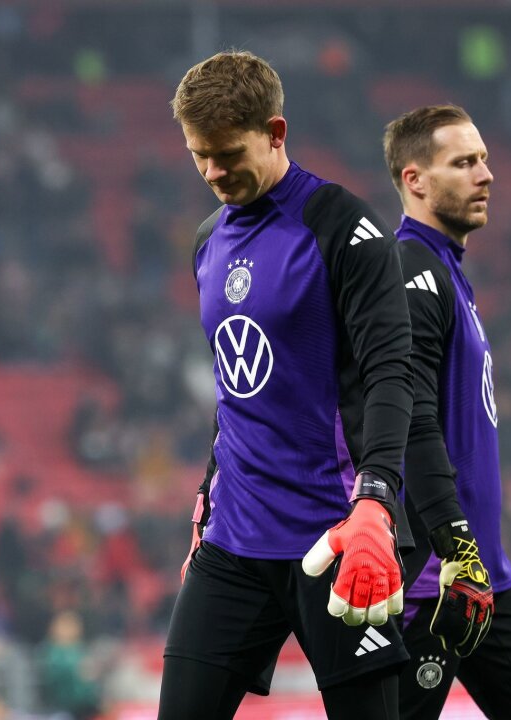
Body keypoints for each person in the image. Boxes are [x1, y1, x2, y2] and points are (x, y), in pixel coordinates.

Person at [161, 50, 415, 720]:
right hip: (234, 543)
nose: (213, 172)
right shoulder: (207, 242)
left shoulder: (343, 228)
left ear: (275, 132)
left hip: (333, 538)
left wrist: (376, 506)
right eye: (198, 156)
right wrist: (203, 511)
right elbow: (237, 393)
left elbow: (394, 373)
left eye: (227, 153)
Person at [382, 104, 511, 718]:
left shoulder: (447, 274)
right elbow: (410, 419)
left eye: (484, 159)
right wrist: (452, 547)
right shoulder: (411, 271)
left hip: (484, 572)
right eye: (463, 163)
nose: (485, 175)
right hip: (439, 578)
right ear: (416, 180)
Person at [37, 611, 101, 720]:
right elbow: (52, 677)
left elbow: (91, 677)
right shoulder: (49, 651)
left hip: (87, 705)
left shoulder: (81, 650)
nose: (69, 630)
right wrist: (77, 669)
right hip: (60, 705)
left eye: (72, 625)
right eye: (65, 625)